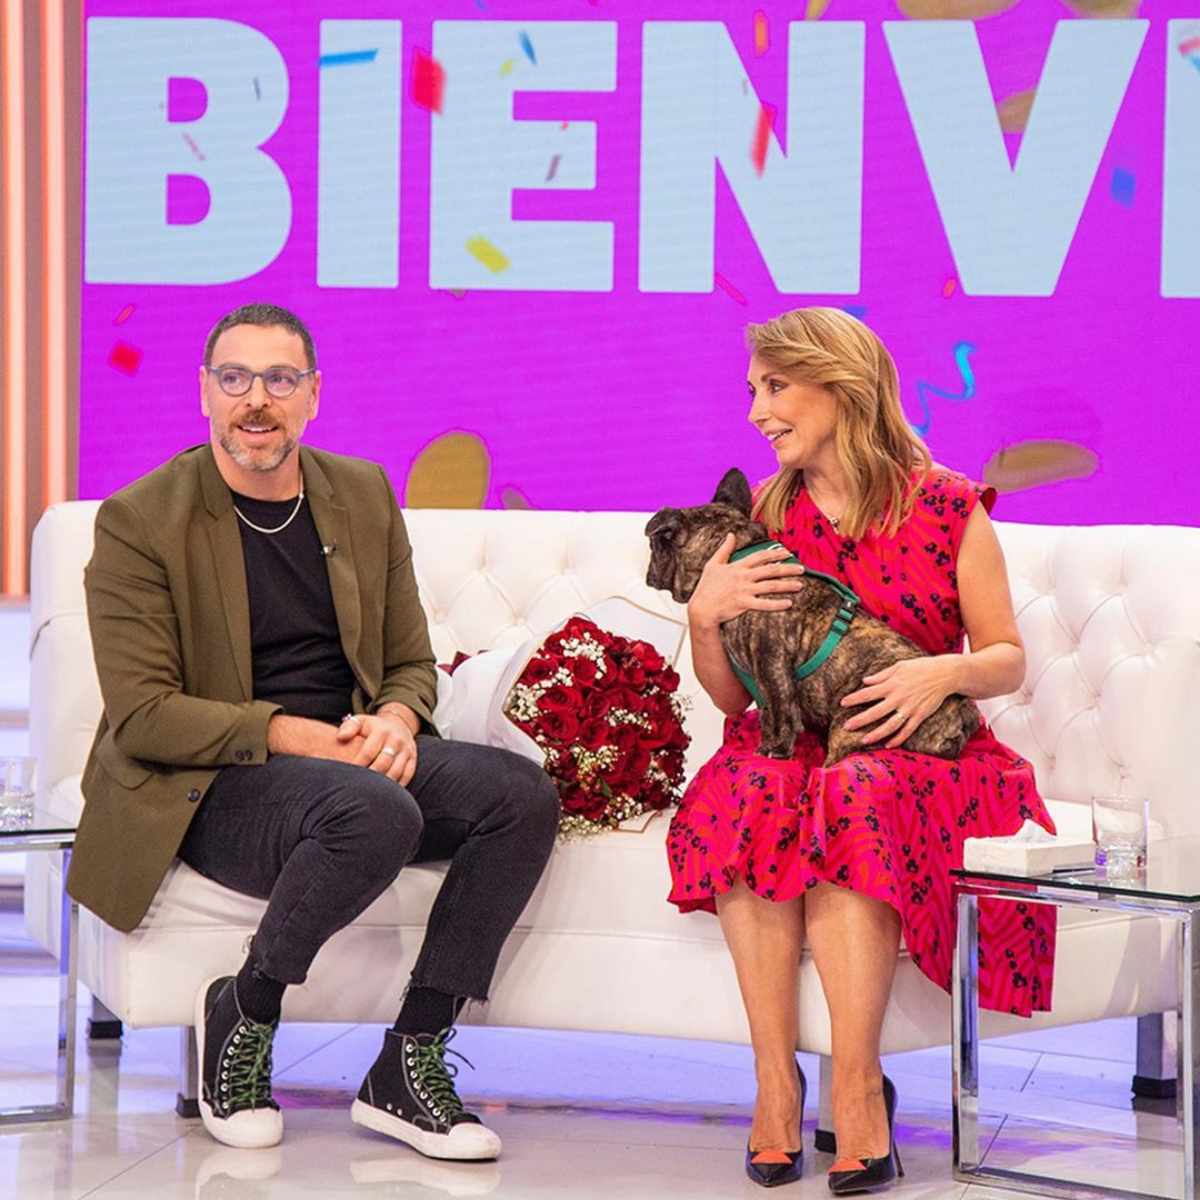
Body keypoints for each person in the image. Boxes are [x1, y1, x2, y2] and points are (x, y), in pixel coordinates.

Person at [70, 303, 561, 1158]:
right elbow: (147, 715)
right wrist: (306, 737)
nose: (256, 400)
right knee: (374, 809)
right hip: (210, 784)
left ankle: (409, 1059)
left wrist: (398, 720)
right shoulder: (140, 520)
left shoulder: (360, 493)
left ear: (313, 395)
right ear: (204, 392)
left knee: (519, 795)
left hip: (347, 764)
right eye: (235, 379)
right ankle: (246, 1008)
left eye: (279, 379)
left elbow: (410, 662)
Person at [667, 307, 1055, 1192]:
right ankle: (775, 1085)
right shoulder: (765, 513)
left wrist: (941, 673)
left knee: (855, 790)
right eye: (752, 390)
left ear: (841, 387)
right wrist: (704, 617)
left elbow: (1005, 657)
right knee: (751, 785)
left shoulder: (947, 505)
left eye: (776, 388)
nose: (758, 412)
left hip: (922, 754)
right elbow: (735, 700)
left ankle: (857, 1088)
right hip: (800, 742)